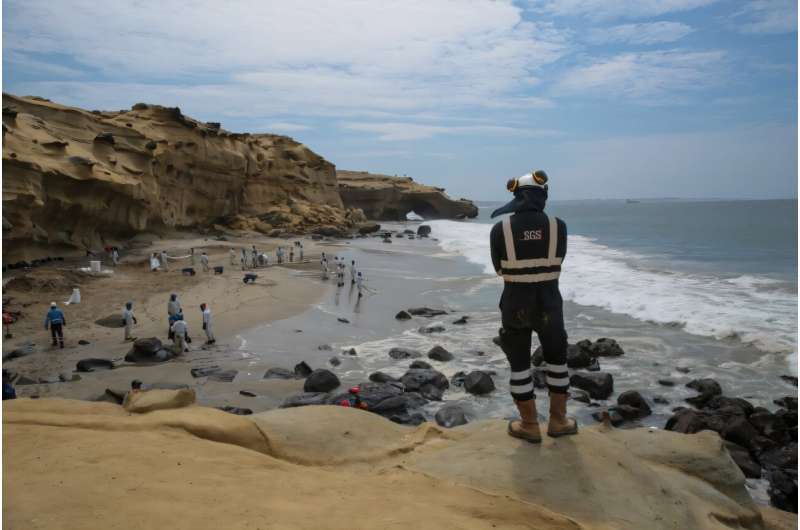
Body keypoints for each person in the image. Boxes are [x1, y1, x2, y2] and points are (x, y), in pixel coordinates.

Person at [489, 169, 576, 443]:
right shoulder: (558, 226)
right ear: (542, 196)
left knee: (519, 365)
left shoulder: (500, 229)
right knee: (557, 362)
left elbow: (499, 268)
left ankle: (529, 425)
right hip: (550, 304)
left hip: (515, 304)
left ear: (517, 196)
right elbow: (558, 259)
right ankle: (559, 421)